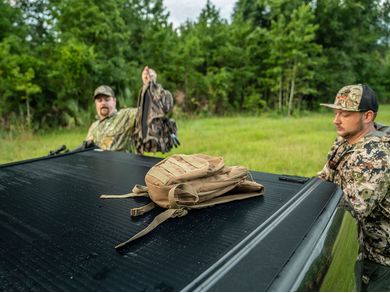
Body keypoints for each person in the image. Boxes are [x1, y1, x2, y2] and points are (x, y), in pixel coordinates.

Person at [317, 84, 389, 291]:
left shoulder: (375, 158)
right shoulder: (346, 140)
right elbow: (324, 178)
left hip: (380, 261)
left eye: (345, 114)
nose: (335, 120)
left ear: (368, 116)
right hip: (360, 248)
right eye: (336, 112)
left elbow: (346, 217)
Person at [85, 66, 164, 151]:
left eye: (107, 99)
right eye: (99, 100)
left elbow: (149, 113)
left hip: (123, 163)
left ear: (114, 101)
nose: (103, 103)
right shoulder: (93, 127)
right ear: (96, 104)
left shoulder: (125, 116)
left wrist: (149, 86)